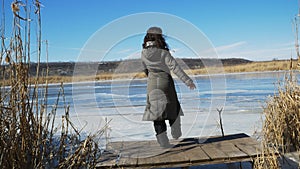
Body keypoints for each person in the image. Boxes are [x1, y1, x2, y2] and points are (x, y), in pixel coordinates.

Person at [141, 26, 196, 148]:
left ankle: (163, 142)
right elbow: (175, 68)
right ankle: (176, 132)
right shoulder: (163, 53)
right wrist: (188, 81)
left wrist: (151, 76)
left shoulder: (143, 53)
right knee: (172, 107)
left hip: (151, 85)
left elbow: (145, 69)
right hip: (166, 83)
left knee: (156, 114)